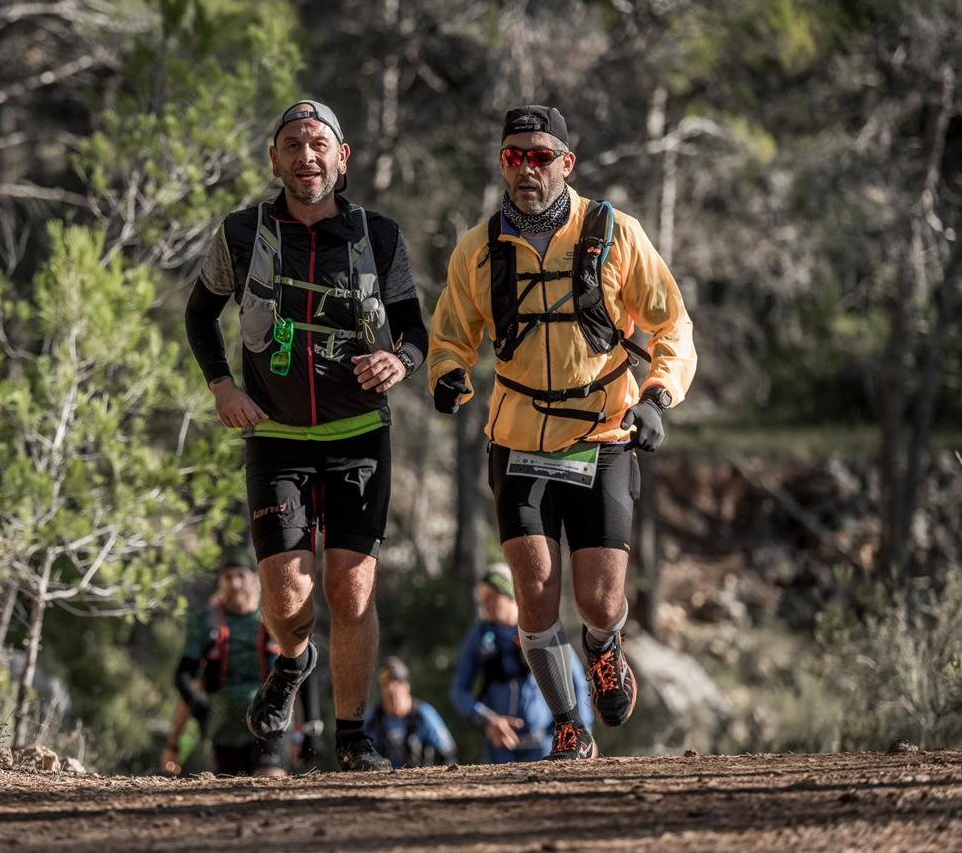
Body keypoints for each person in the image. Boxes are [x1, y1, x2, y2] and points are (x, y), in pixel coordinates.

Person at [428, 105, 696, 759]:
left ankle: (604, 647)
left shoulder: (615, 233)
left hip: (602, 435)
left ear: (566, 163)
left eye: (540, 155)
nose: (527, 167)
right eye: (514, 155)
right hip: (517, 440)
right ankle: (570, 723)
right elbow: (450, 335)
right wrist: (447, 373)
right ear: (502, 163)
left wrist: (658, 397)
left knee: (598, 598)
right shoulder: (479, 248)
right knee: (535, 599)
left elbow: (673, 328)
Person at [184, 100, 428, 771]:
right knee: (288, 600)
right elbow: (200, 315)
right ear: (275, 160)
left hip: (358, 436)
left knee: (350, 592)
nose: (305, 155)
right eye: (292, 144)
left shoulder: (377, 235)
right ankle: (294, 662)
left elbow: (414, 329)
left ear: (341, 157)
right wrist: (222, 386)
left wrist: (399, 361)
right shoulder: (243, 233)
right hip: (278, 436)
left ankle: (352, 738)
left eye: (318, 142)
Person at [167, 547, 320, 776]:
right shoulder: (205, 622)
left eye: (241, 576)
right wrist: (189, 720)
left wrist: (309, 728)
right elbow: (184, 676)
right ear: (220, 582)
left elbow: (302, 672)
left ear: (256, 579)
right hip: (223, 727)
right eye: (228, 577)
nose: (235, 584)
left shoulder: (277, 617)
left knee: (270, 780)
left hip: (271, 720)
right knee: (229, 791)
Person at [450, 563, 592, 762]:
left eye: (491, 597)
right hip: (499, 748)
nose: (485, 605)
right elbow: (459, 689)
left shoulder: (540, 631)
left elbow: (577, 681)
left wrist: (584, 731)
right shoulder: (479, 636)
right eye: (481, 599)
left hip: (545, 745)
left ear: (510, 595)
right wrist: (487, 719)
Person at [365, 656, 458, 769]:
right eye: (386, 684)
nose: (392, 689)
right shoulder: (372, 719)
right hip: (378, 784)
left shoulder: (424, 714)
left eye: (398, 682)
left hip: (420, 782)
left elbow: (448, 751)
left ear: (407, 686)